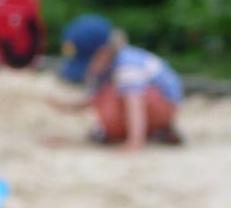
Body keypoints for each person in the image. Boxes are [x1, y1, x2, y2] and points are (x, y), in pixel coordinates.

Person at [49, 14, 184, 150]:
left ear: (104, 53)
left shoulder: (127, 65)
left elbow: (134, 103)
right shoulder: (106, 68)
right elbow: (92, 98)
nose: (87, 70)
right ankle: (151, 131)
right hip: (149, 102)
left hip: (163, 102)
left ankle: (149, 129)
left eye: (87, 62)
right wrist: (67, 106)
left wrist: (135, 142)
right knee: (105, 99)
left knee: (109, 101)